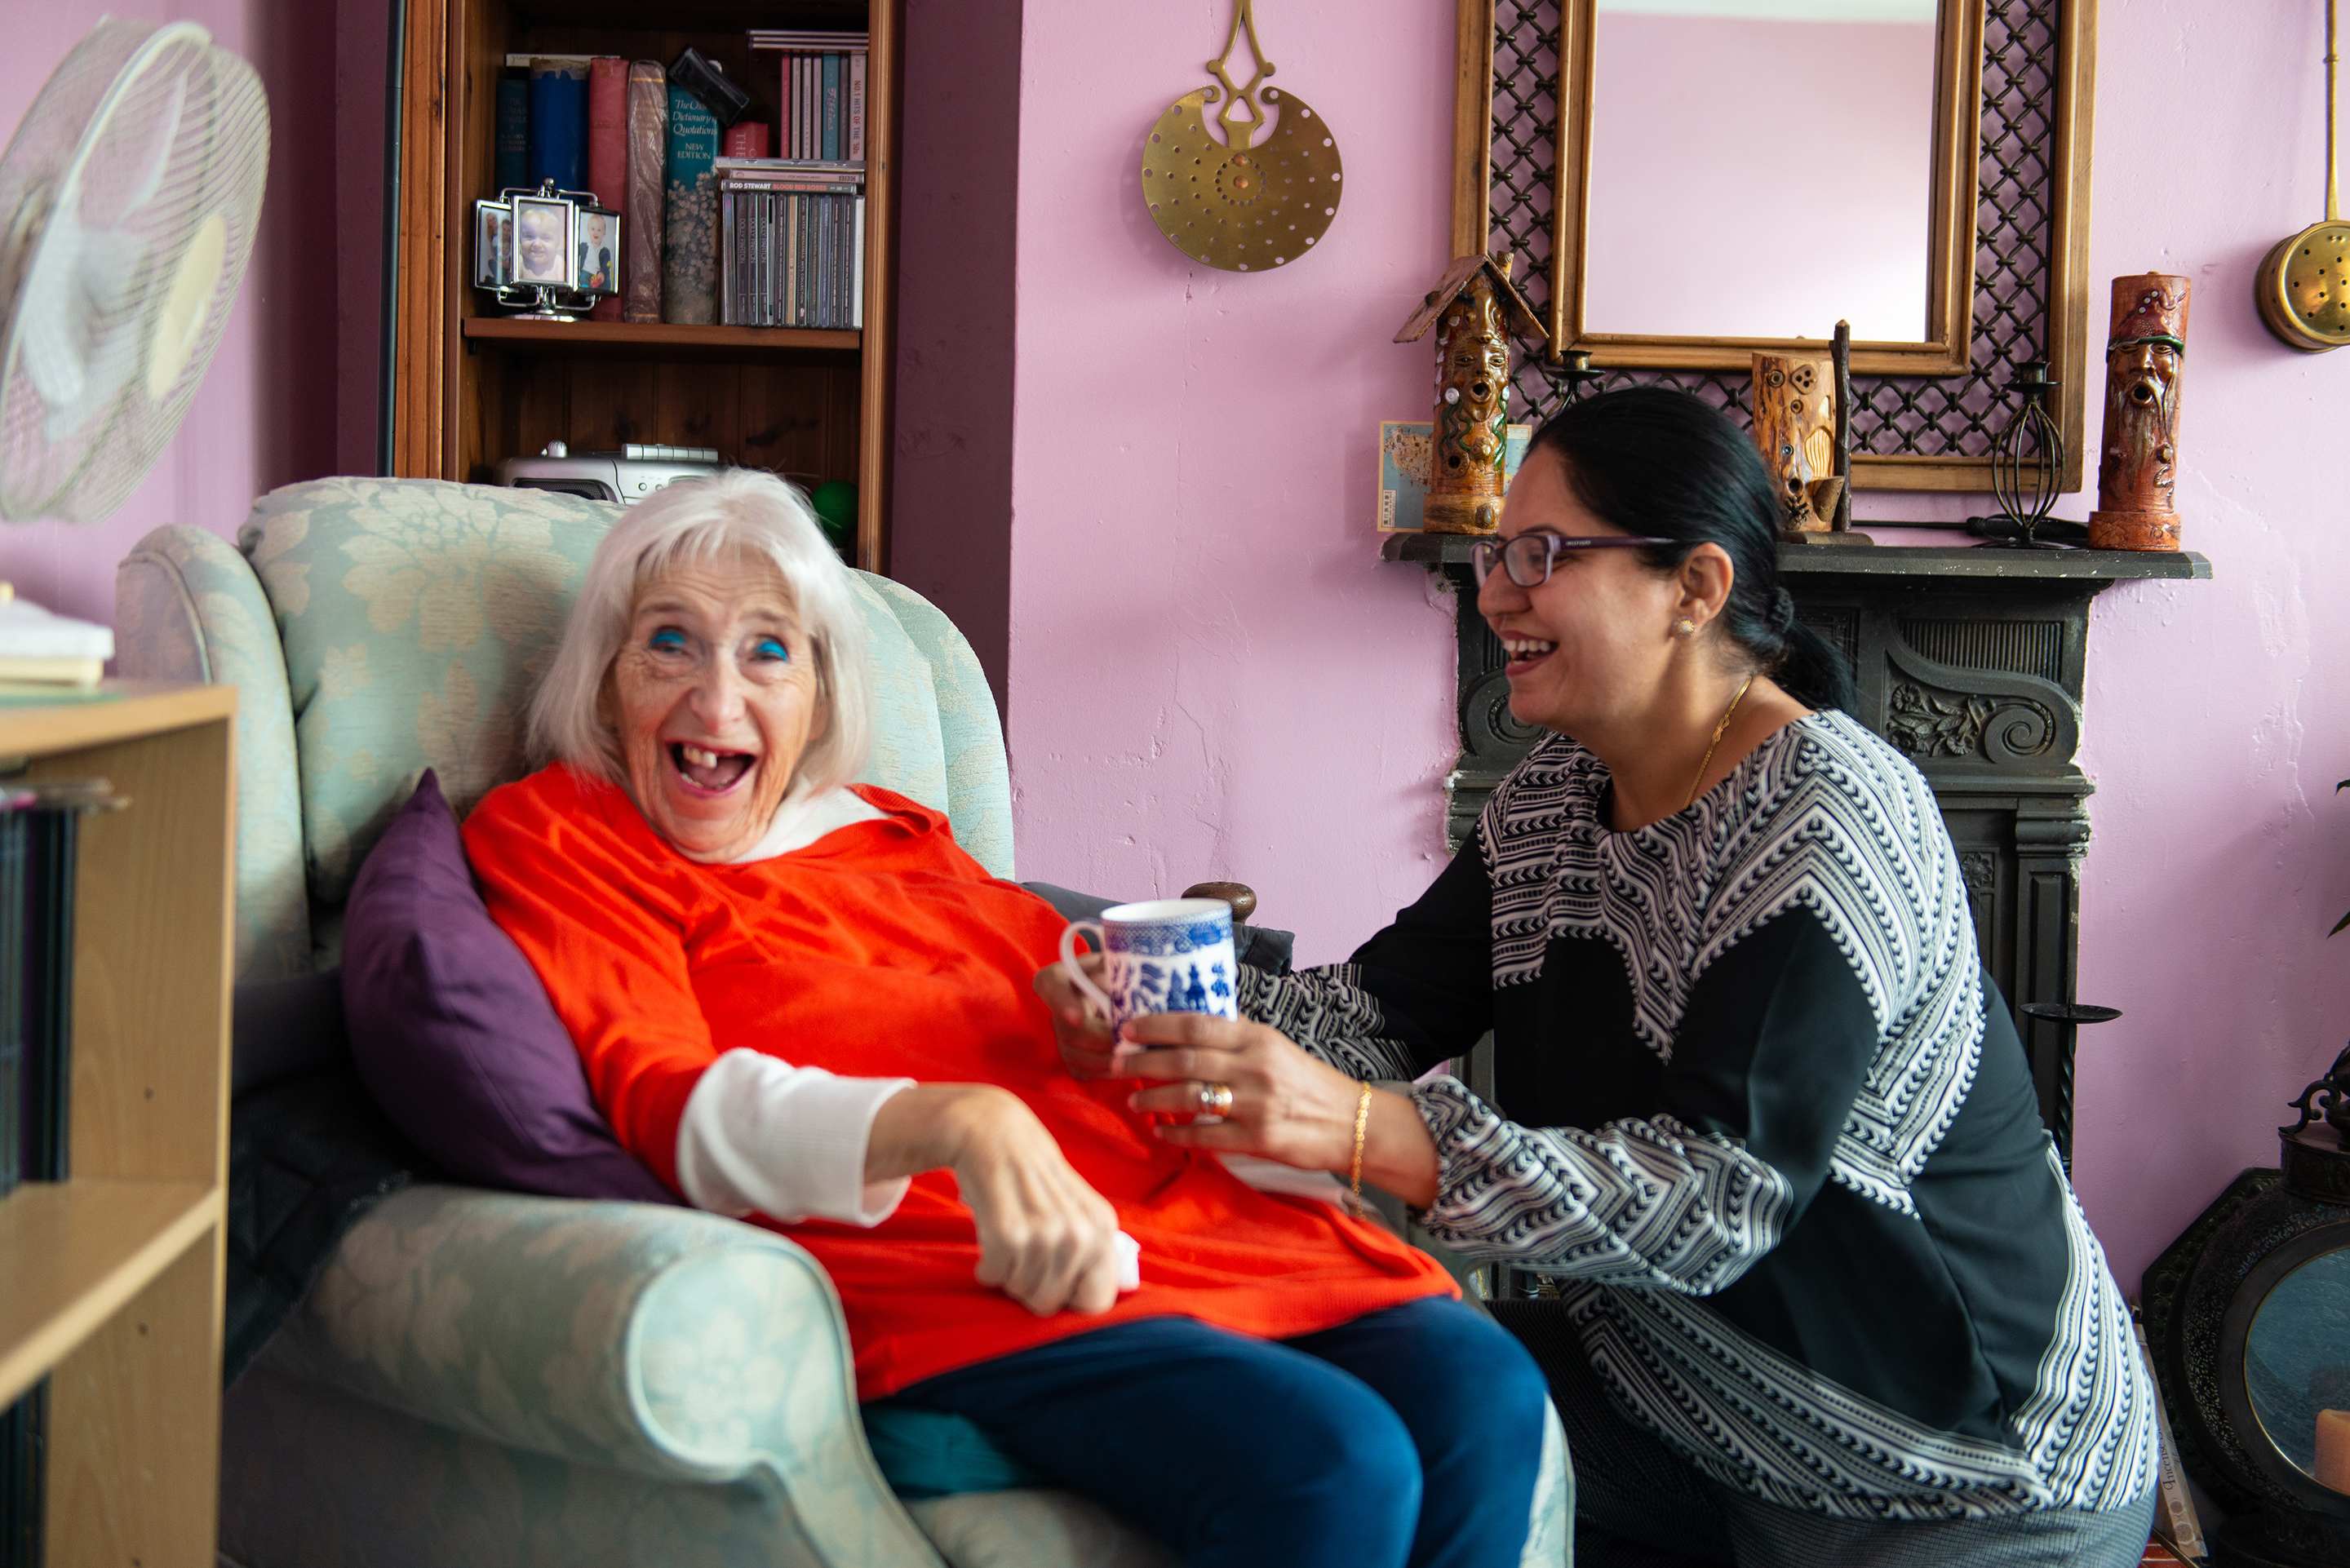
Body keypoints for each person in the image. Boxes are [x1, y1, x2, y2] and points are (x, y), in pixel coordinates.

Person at [1044, 388, 2160, 1567]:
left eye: (1543, 554)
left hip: (1962, 1484)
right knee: (1331, 1393)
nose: (1496, 592)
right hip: (1682, 1408)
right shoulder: (1555, 796)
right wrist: (1141, 998)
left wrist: (1364, 1129)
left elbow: (1721, 1200)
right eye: (1496, 554)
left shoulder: (1825, 818)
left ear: (1695, 587)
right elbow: (1370, 1015)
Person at [461, 469, 1550, 1568]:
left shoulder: (893, 829)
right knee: (1336, 1461)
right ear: (604, 678)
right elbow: (664, 1098)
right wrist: (957, 1122)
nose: (717, 701)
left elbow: (1055, 995)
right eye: (670, 644)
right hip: (960, 1261)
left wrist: (1098, 1022)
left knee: (1487, 1387)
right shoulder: (569, 833)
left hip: (1161, 1213)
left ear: (820, 694)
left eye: (767, 652)